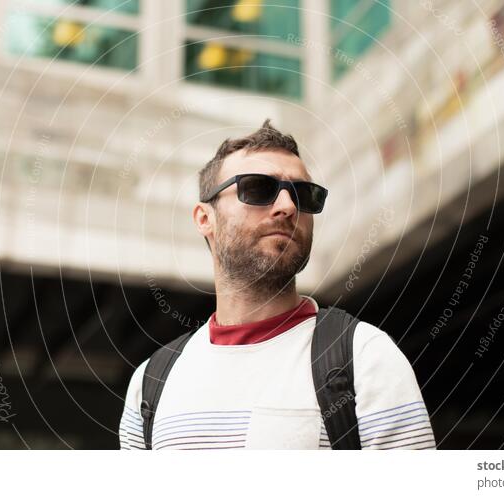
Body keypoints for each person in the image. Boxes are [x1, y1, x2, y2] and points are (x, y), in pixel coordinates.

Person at [119, 120, 435, 450]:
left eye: (303, 195)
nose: (287, 207)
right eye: (257, 189)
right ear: (204, 218)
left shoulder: (366, 357)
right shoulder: (151, 383)